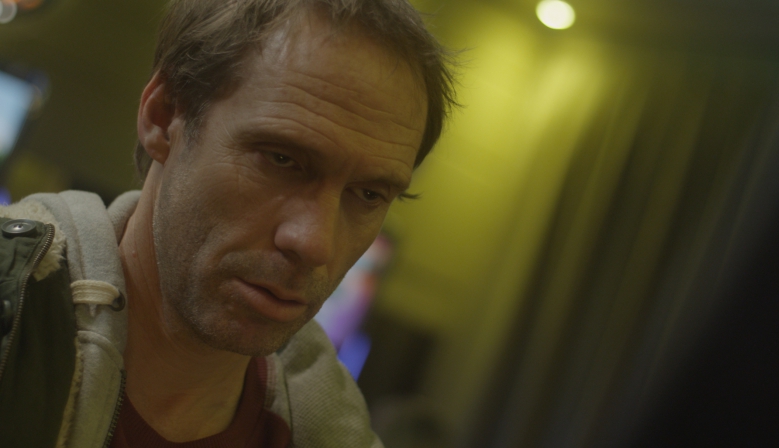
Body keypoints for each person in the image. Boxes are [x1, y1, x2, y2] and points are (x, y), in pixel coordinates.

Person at [0, 0, 457, 446]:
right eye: (281, 159)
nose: (315, 243)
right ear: (163, 118)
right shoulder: (15, 323)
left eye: (369, 194)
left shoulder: (326, 430)